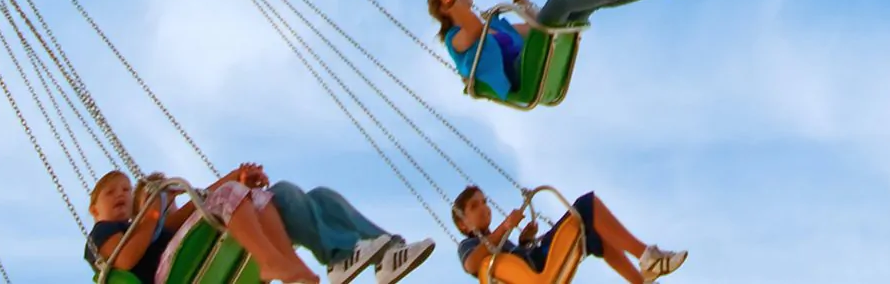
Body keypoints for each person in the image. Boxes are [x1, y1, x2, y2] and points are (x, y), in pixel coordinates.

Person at [425, 0, 693, 98]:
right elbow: (470, 24)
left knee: (580, 6)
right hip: (524, 75)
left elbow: (539, 22)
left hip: (538, 57)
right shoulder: (457, 40)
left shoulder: (495, 25)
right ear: (445, 7)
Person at [84, 168, 322, 284]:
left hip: (177, 264)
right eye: (110, 192)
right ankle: (271, 261)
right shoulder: (103, 232)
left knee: (254, 196)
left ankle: (288, 265)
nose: (121, 195)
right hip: (165, 277)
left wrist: (233, 176)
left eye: (126, 189)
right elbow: (124, 260)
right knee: (229, 195)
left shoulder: (146, 229)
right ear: (94, 209)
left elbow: (199, 205)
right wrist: (152, 213)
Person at [238, 162, 435, 284]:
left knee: (322, 196)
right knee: (283, 192)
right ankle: (338, 257)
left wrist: (244, 180)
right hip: (243, 225)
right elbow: (210, 198)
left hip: (252, 214)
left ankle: (387, 255)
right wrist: (236, 178)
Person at [452, 186, 686, 284]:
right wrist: (505, 227)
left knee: (593, 235)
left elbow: (514, 260)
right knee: (586, 206)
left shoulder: (499, 244)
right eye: (474, 206)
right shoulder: (468, 244)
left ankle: (639, 279)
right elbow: (471, 264)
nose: (484, 208)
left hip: (534, 263)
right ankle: (647, 255)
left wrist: (523, 240)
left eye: (484, 202)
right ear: (463, 224)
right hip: (538, 267)